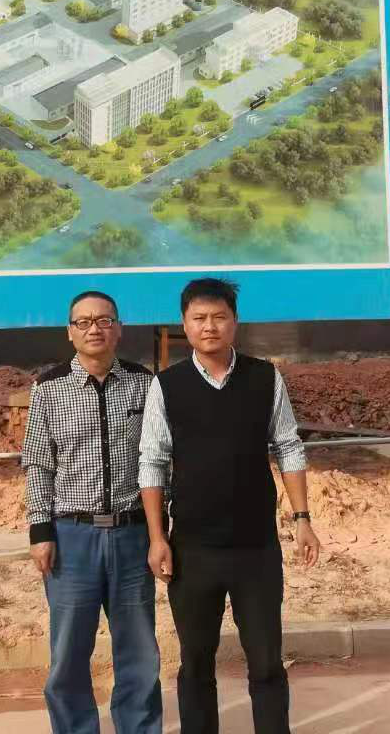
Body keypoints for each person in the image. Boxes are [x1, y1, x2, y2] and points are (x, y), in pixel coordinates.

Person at [139, 278, 320, 734]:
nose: (210, 327)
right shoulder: (167, 385)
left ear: (235, 322)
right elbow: (152, 461)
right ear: (184, 324)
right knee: (196, 663)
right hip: (192, 549)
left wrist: (302, 518)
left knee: (266, 661)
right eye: (199, 318)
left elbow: (289, 446)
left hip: (256, 549)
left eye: (219, 317)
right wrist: (158, 537)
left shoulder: (264, 377)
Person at [20, 291, 162, 734]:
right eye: (83, 322)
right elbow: (38, 463)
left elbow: (159, 459)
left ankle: (139, 727)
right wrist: (40, 530)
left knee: (138, 650)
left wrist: (161, 531)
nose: (94, 329)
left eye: (104, 320)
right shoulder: (49, 388)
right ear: (70, 332)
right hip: (71, 538)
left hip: (132, 535)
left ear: (119, 328)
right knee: (68, 652)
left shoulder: (144, 383)